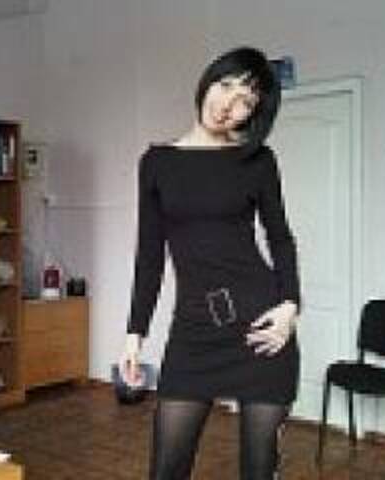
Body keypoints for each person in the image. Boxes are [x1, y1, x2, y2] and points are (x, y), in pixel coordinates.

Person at [119, 46, 301, 480]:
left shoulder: (257, 160)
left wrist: (290, 306)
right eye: (225, 85)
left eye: (245, 102)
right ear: (208, 81)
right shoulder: (157, 163)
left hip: (261, 329)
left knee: (258, 472)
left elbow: (280, 237)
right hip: (194, 331)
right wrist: (134, 336)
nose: (227, 105)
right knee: (167, 471)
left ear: (253, 115)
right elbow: (150, 256)